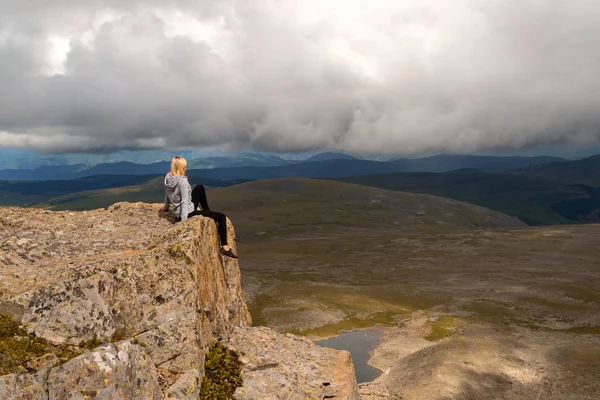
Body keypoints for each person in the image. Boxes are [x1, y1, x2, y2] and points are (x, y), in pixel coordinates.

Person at [163, 155, 238, 259]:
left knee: (200, 188)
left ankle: (208, 212)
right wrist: (184, 222)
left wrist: (165, 208)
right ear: (180, 167)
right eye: (184, 166)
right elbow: (184, 201)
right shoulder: (182, 181)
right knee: (221, 217)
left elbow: (167, 194)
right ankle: (224, 247)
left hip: (178, 212)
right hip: (187, 213)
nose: (186, 168)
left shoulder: (168, 177)